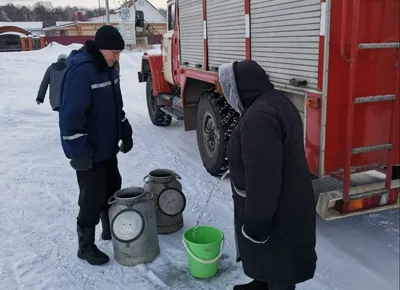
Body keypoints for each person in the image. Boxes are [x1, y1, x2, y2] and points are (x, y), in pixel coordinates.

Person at [217, 60, 317, 290]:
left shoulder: (258, 119)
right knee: (272, 256)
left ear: (242, 88)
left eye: (228, 89)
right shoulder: (276, 102)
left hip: (278, 208)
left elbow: (264, 181)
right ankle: (261, 280)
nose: (227, 96)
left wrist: (257, 224)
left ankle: (272, 283)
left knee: (279, 261)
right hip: (289, 199)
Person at [58, 25, 133, 266]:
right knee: (91, 197)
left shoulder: (108, 69)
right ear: (101, 49)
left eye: (119, 53)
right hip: (89, 151)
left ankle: (108, 227)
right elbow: (70, 116)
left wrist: (125, 130)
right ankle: (86, 246)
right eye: (114, 52)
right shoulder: (82, 72)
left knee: (113, 187)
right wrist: (77, 152)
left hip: (107, 147)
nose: (117, 57)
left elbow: (115, 106)